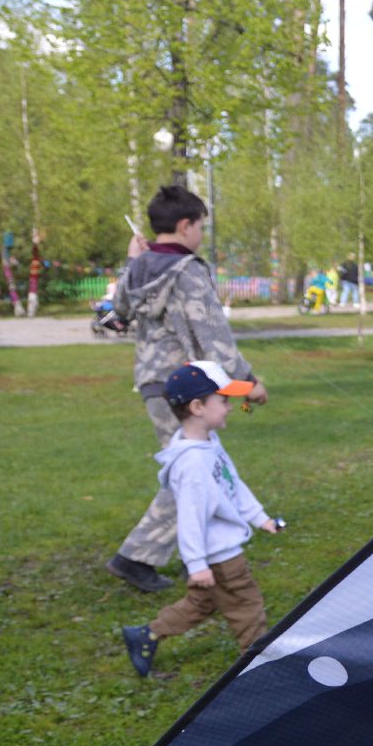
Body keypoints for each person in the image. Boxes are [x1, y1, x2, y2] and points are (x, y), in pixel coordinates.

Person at [108, 186, 268, 593]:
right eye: (200, 227)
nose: (201, 234)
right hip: (185, 386)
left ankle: (198, 552)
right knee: (192, 470)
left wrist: (133, 260)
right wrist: (247, 383)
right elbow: (213, 334)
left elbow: (120, 309)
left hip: (152, 381)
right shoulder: (187, 271)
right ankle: (136, 557)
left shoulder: (140, 266)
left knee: (195, 466)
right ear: (184, 226)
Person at [120, 361, 279, 677]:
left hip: (216, 553)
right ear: (197, 407)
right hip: (221, 554)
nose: (230, 407)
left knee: (201, 604)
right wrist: (197, 565)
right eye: (223, 400)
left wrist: (260, 518)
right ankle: (257, 668)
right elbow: (190, 519)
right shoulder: (192, 465)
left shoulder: (208, 444)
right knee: (247, 608)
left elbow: (232, 483)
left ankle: (146, 635)